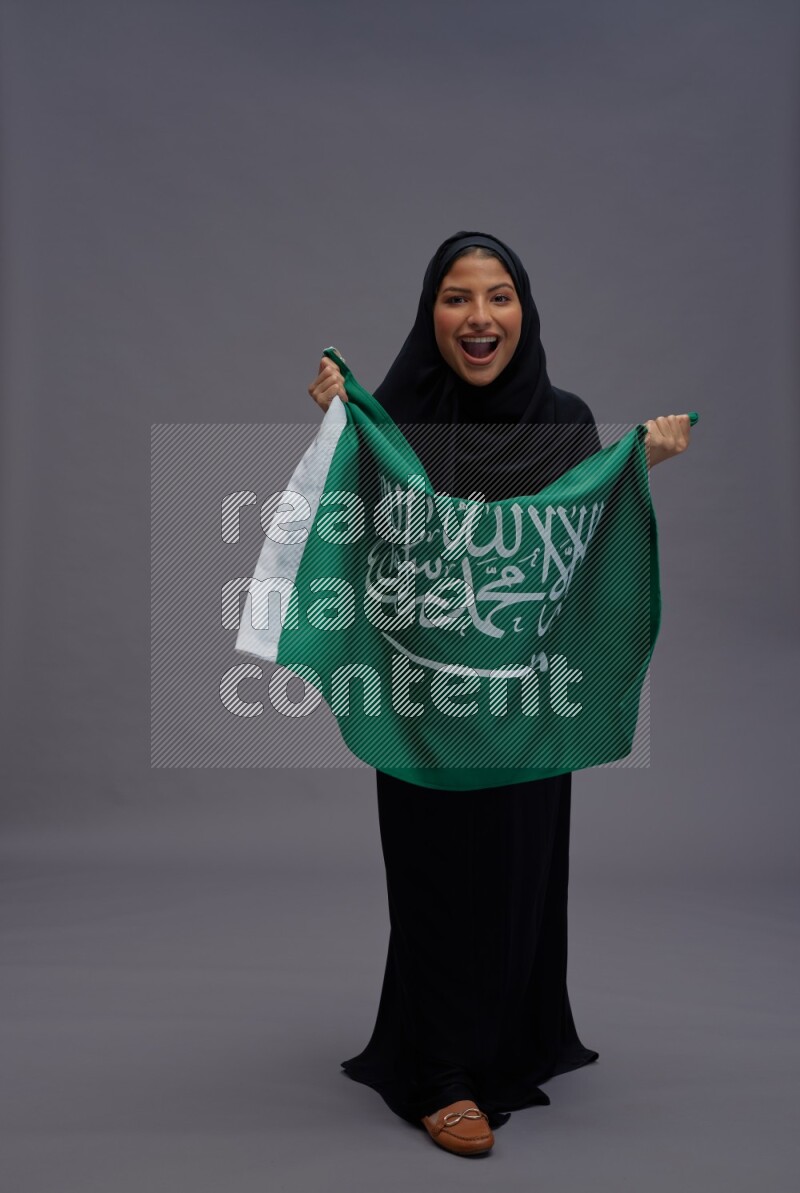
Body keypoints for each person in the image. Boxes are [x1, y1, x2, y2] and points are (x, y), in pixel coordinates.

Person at [307, 231, 692, 1158]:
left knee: (521, 874)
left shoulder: (565, 418)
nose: (479, 317)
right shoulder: (393, 416)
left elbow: (579, 544)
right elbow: (359, 531)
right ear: (429, 314)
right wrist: (339, 419)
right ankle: (439, 1074)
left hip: (526, 702)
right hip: (424, 706)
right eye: (456, 297)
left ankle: (513, 1039)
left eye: (498, 297)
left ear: (523, 310)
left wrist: (638, 464)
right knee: (439, 878)